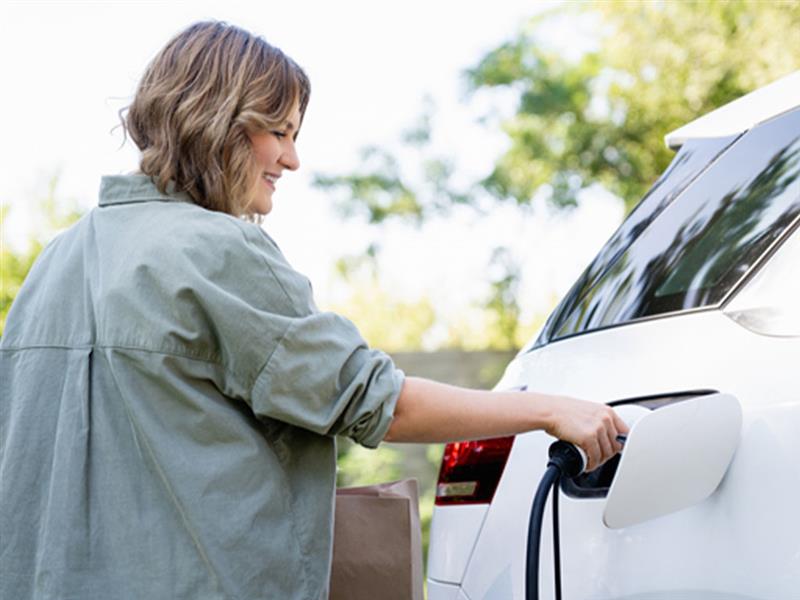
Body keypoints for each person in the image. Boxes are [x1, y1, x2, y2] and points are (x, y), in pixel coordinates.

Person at [0, 20, 627, 600]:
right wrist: (549, 409)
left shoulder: (54, 264)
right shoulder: (218, 252)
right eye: (279, 131)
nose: (292, 159)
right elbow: (379, 403)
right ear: (217, 120)